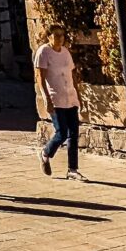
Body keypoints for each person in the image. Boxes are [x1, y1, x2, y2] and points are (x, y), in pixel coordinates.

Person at [35, 25, 84, 180]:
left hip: (70, 97)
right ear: (49, 36)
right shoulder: (43, 52)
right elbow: (40, 78)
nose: (59, 38)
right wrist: (46, 99)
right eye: (56, 35)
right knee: (62, 132)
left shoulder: (65, 52)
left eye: (62, 35)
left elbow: (72, 74)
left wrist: (78, 96)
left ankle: (72, 169)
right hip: (55, 98)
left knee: (73, 134)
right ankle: (45, 152)